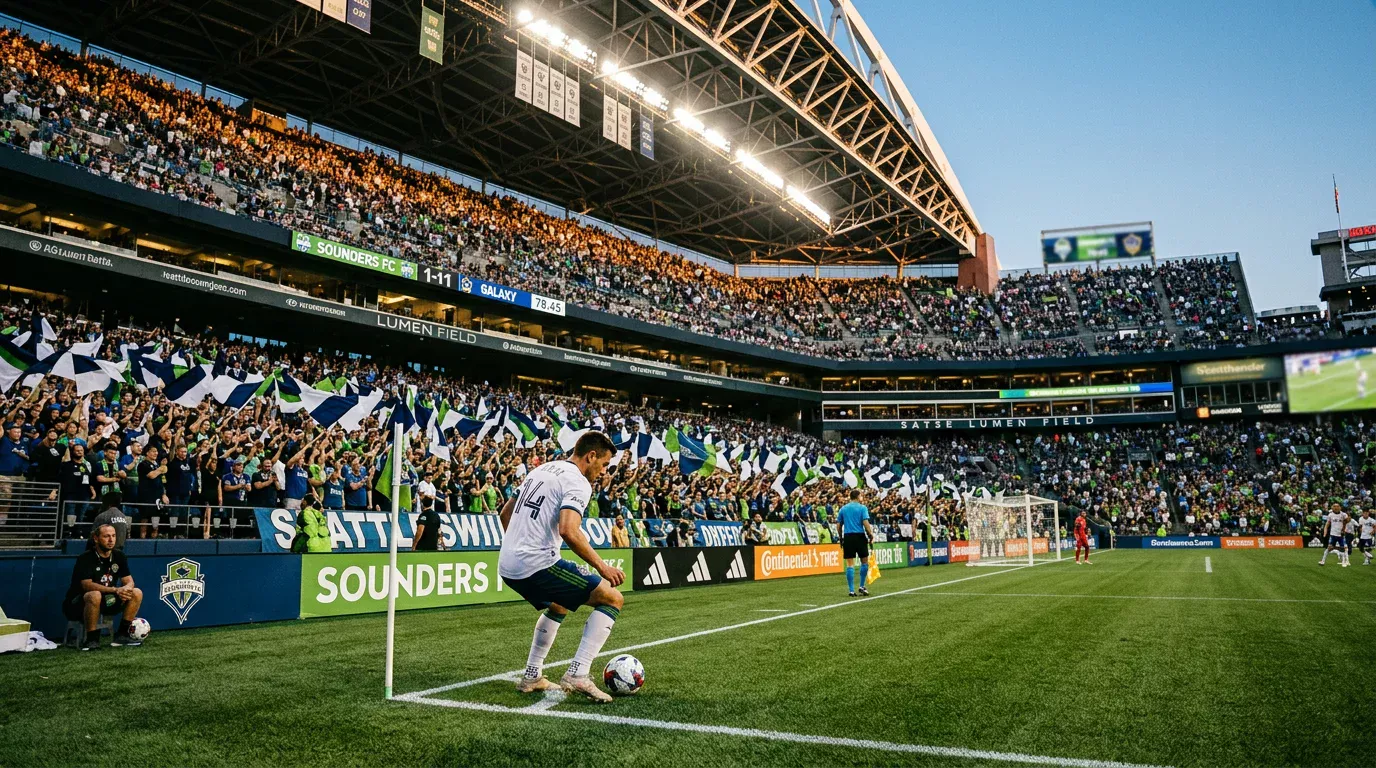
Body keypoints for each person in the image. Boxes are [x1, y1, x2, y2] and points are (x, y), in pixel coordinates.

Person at [497, 431, 624, 704]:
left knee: (559, 603)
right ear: (590, 456)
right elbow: (569, 530)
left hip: (508, 564)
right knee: (612, 598)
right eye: (603, 465)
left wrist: (518, 546)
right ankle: (578, 673)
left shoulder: (540, 470)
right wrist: (603, 566)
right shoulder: (577, 481)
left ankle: (532, 675)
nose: (603, 472)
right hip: (537, 563)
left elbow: (505, 513)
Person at [63, 523, 144, 651]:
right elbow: (86, 584)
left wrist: (125, 589)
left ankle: (122, 635)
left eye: (113, 536)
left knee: (136, 592)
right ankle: (91, 640)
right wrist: (115, 590)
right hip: (78, 603)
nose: (111, 540)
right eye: (106, 536)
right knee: (94, 594)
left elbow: (129, 581)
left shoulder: (119, 556)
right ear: (96, 538)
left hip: (107, 600)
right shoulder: (86, 558)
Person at [835, 489, 873, 597]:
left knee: (850, 564)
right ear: (857, 496)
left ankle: (851, 590)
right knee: (864, 561)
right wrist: (870, 534)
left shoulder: (843, 509)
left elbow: (838, 525)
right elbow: (865, 522)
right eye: (861, 496)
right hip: (860, 536)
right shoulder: (862, 508)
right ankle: (861, 585)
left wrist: (841, 537)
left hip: (848, 536)